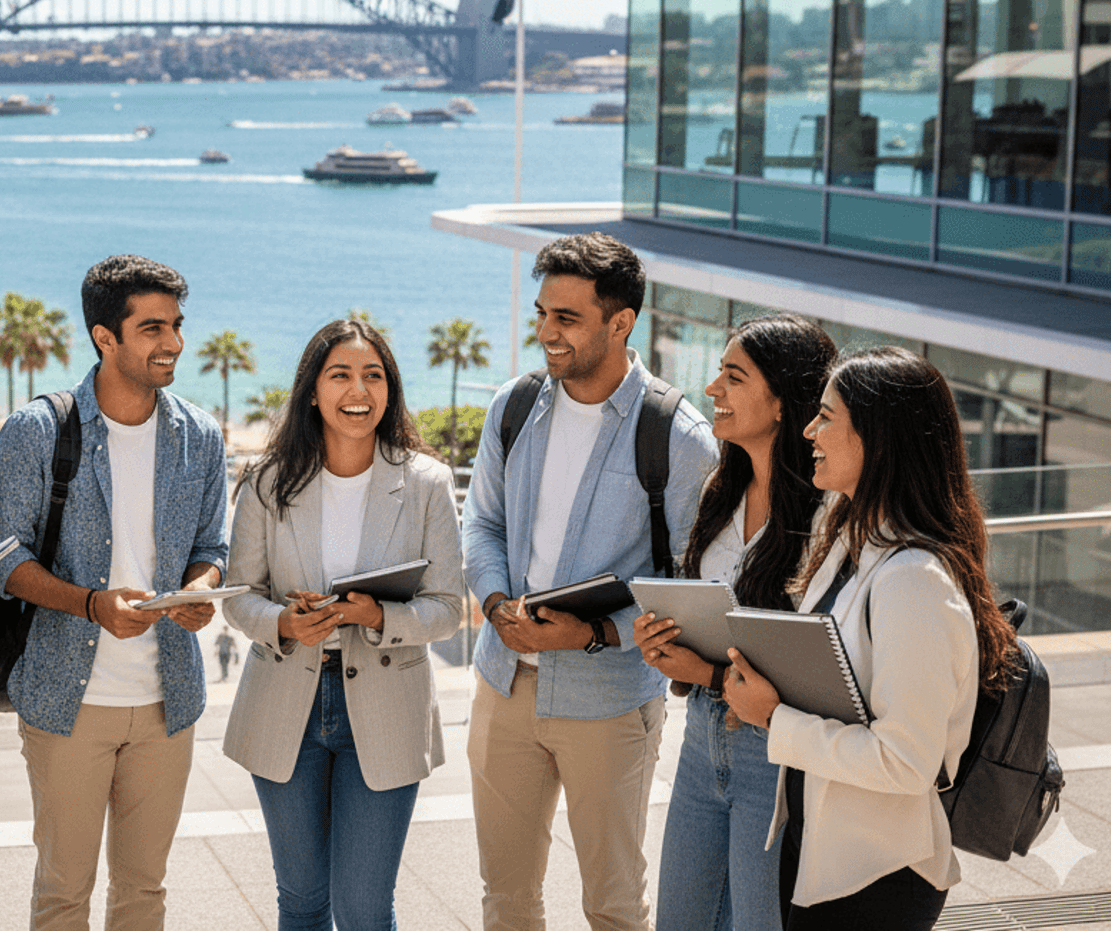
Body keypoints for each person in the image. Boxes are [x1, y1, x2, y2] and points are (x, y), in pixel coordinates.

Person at [461, 232, 719, 931]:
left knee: (613, 904)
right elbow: (480, 522)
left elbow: (692, 584)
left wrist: (598, 633)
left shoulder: (681, 435)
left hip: (609, 700)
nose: (546, 332)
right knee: (506, 898)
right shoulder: (513, 407)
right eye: (543, 313)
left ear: (620, 322)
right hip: (503, 680)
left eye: (566, 318)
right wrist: (492, 603)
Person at [724, 348, 1021, 930]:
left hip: (875, 877)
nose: (808, 429)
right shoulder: (848, 542)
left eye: (827, 417)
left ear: (880, 439)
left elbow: (908, 762)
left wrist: (773, 719)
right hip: (820, 852)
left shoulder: (914, 582)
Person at [0, 255, 228, 931]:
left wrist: (196, 591)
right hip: (66, 699)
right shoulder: (37, 430)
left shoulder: (199, 436)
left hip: (167, 700)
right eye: (152, 327)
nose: (173, 341)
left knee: (144, 891)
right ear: (104, 336)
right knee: (63, 892)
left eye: (176, 324)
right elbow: (0, 559)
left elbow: (212, 547)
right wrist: (90, 604)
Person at [221, 319, 465, 931]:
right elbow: (238, 596)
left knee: (362, 909)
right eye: (341, 375)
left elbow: (447, 606)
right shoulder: (265, 482)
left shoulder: (428, 484)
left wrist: (380, 616)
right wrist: (282, 621)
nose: (358, 390)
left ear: (390, 390)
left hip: (385, 711)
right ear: (312, 390)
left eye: (373, 375)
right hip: (286, 708)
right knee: (301, 903)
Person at [631, 314, 835, 931]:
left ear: (782, 402)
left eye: (734, 375)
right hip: (700, 741)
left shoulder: (828, 516)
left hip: (775, 757)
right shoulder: (721, 488)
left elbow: (821, 667)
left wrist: (711, 673)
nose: (713, 388)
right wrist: (668, 642)